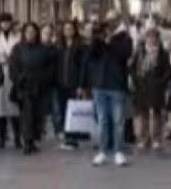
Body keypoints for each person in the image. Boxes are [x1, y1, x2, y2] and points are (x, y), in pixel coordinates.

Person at [85, 20, 132, 167]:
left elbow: (123, 55)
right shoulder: (98, 40)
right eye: (106, 27)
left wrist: (110, 41)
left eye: (111, 25)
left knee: (118, 120)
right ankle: (102, 151)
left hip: (116, 85)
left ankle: (118, 151)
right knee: (102, 120)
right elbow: (90, 56)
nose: (108, 29)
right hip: (99, 85)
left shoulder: (125, 39)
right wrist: (95, 39)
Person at [9, 21, 54, 156]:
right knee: (26, 115)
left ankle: (34, 139)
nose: (30, 34)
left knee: (37, 115)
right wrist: (19, 79)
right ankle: (27, 141)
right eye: (28, 31)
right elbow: (13, 67)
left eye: (33, 31)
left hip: (40, 87)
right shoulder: (17, 48)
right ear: (24, 33)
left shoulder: (43, 49)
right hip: (24, 87)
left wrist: (44, 78)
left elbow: (50, 67)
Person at [131, 27, 171, 149]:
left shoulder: (162, 52)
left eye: (154, 37)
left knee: (157, 113)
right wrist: (136, 80)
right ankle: (144, 138)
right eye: (149, 36)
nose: (151, 39)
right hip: (142, 85)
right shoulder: (140, 51)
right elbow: (132, 67)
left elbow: (167, 70)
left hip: (156, 86)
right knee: (143, 113)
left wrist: (162, 82)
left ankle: (156, 138)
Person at [0, 14, 21, 149]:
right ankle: (2, 137)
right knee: (0, 109)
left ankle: (17, 138)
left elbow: (19, 50)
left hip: (13, 73)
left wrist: (11, 58)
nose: (5, 24)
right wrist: (2, 58)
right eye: (3, 22)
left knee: (15, 108)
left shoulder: (17, 36)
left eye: (7, 22)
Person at [54, 19, 86, 149]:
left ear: (74, 30)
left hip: (74, 84)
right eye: (65, 29)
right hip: (61, 84)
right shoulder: (59, 45)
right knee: (63, 111)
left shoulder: (79, 45)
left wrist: (81, 85)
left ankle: (73, 138)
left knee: (73, 112)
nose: (68, 31)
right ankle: (68, 137)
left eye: (70, 29)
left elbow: (83, 66)